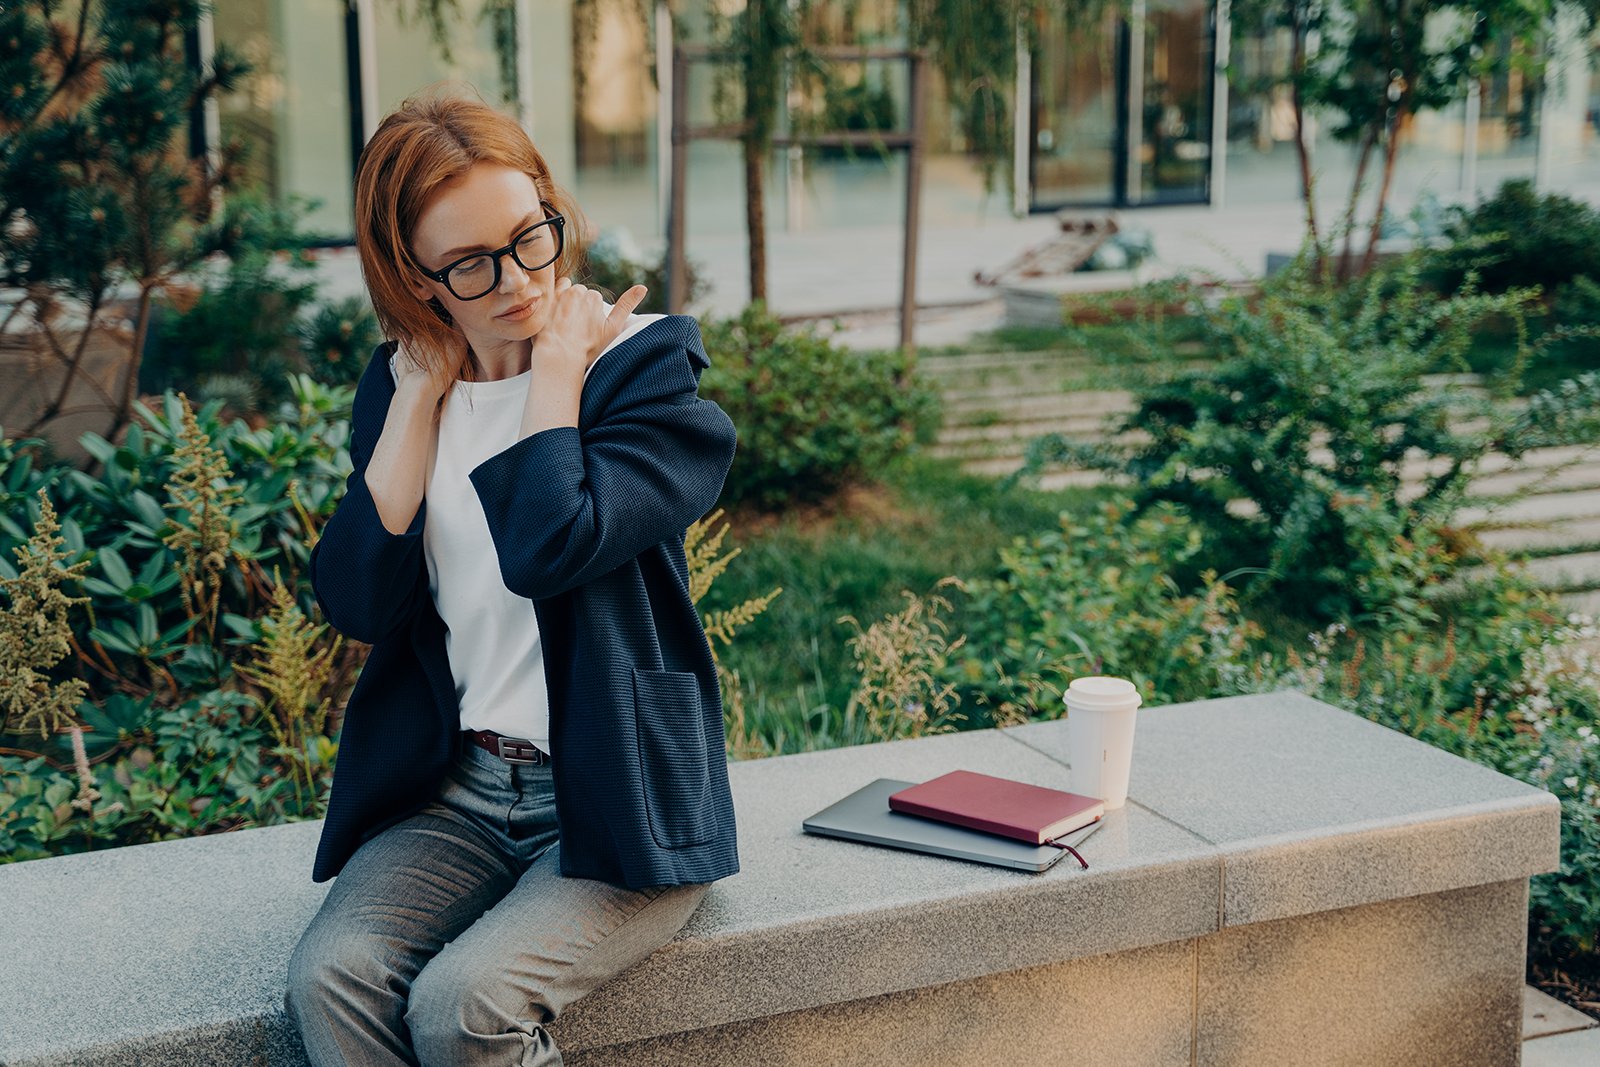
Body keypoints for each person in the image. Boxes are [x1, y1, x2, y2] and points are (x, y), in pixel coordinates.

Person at [283, 86, 741, 1066]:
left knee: (463, 1004)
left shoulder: (641, 373)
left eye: (532, 236)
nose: (518, 279)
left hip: (614, 792)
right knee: (332, 977)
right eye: (469, 263)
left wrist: (554, 378)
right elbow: (357, 601)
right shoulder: (403, 379)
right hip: (457, 791)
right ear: (412, 271)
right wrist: (414, 402)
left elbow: (549, 546)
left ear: (548, 206)